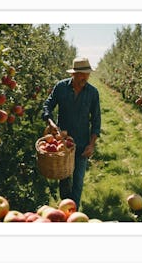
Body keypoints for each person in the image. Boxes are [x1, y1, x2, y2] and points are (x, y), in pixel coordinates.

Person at [41, 57, 101, 210]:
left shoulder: (93, 93)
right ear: (74, 74)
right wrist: (50, 122)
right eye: (81, 74)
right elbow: (48, 104)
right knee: (64, 180)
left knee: (78, 181)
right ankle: (65, 209)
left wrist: (91, 144)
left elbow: (96, 120)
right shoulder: (61, 87)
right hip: (63, 143)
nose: (85, 77)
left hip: (82, 143)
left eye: (87, 74)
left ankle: (73, 213)